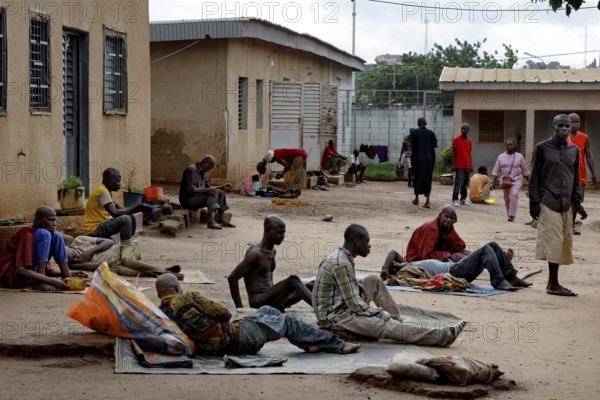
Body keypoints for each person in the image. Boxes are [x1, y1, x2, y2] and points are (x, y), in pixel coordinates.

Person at [312, 224, 466, 347]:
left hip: (336, 307)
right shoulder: (342, 264)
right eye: (367, 241)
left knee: (373, 280)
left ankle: (397, 321)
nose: (370, 246)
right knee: (385, 325)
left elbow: (342, 288)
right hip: (336, 318)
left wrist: (356, 284)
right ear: (357, 241)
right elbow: (355, 306)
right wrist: (381, 314)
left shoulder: (340, 257)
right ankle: (440, 336)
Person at [156, 274, 361, 356]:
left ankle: (307, 344)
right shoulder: (187, 298)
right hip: (239, 338)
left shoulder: (162, 312)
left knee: (268, 311)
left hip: (229, 338)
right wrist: (219, 321)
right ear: (177, 287)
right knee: (286, 320)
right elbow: (224, 313)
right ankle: (337, 345)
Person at [529, 114, 587, 297]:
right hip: (548, 202)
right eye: (560, 126)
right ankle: (553, 284)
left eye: (567, 126)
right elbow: (534, 178)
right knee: (553, 242)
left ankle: (553, 283)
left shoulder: (574, 150)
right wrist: (534, 204)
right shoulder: (542, 148)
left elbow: (575, 178)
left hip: (567, 204)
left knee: (563, 244)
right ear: (553, 128)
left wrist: (578, 203)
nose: (564, 129)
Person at [228, 216, 312, 311]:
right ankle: (321, 313)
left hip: (272, 299)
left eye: (284, 232)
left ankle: (329, 311)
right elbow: (232, 277)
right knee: (293, 279)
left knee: (311, 285)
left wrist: (280, 295)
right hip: (259, 301)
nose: (283, 236)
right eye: (279, 232)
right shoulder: (256, 254)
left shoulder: (272, 251)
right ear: (267, 232)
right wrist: (240, 308)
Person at [380, 242, 531, 291]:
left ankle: (511, 277)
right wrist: (390, 270)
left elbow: (393, 252)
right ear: (398, 271)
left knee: (492, 245)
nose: (397, 263)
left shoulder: (407, 263)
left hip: (455, 267)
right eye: (395, 266)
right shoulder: (408, 270)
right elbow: (395, 263)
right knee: (486, 249)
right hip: (453, 272)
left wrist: (385, 268)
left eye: (396, 262)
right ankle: (497, 280)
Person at [0, 206, 74, 291]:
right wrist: (52, 282)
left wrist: (72, 273)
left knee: (57, 235)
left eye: (55, 220)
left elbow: (48, 272)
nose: (55, 223)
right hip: (13, 278)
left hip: (33, 276)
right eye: (51, 220)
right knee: (44, 233)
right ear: (39, 219)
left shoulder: (45, 235)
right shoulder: (26, 233)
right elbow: (20, 270)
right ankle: (40, 282)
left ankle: (67, 277)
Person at [66, 236, 184, 280]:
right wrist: (79, 262)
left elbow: (109, 241)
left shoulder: (79, 240)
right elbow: (99, 266)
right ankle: (162, 271)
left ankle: (163, 272)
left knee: (126, 260)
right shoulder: (72, 264)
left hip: (125, 249)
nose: (69, 255)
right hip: (119, 264)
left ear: (67, 246)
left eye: (67, 252)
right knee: (122, 270)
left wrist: (88, 253)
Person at [84, 168, 152, 243]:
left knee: (131, 217)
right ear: (110, 180)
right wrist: (137, 208)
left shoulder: (110, 192)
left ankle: (130, 242)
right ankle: (126, 247)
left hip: (101, 225)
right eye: (117, 181)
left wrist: (139, 208)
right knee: (125, 219)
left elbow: (120, 209)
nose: (120, 184)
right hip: (94, 229)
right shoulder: (102, 191)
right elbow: (115, 213)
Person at [179, 155, 235, 230]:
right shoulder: (191, 170)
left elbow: (209, 188)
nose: (208, 170)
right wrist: (208, 190)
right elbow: (190, 189)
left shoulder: (202, 172)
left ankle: (222, 220)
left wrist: (222, 187)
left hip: (196, 197)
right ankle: (211, 222)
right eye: (208, 168)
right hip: (187, 200)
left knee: (220, 192)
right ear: (204, 162)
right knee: (212, 193)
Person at [405, 205, 469, 262]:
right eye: (446, 216)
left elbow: (459, 246)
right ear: (440, 215)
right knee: (458, 258)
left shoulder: (447, 227)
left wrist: (450, 227)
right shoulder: (430, 228)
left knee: (467, 254)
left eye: (451, 218)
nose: (449, 220)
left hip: (435, 254)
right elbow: (424, 256)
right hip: (417, 260)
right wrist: (449, 255)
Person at [567, 113, 596, 235]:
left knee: (576, 202)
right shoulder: (564, 136)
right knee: (566, 202)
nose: (576, 124)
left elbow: (588, 156)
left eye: (577, 121)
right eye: (573, 122)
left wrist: (593, 173)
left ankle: (571, 226)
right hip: (566, 174)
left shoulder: (585, 137)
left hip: (580, 176)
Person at [491, 138, 530, 222]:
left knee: (513, 194)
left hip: (517, 180)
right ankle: (509, 213)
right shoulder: (501, 157)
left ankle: (511, 215)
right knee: (507, 199)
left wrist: (530, 183)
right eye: (507, 144)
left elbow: (525, 170)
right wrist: (492, 183)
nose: (509, 146)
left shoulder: (519, 156)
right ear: (505, 146)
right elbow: (496, 170)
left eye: (511, 144)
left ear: (514, 145)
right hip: (505, 181)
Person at [408, 118, 438, 208]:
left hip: (417, 159)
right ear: (426, 123)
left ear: (417, 123)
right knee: (428, 179)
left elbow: (409, 144)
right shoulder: (431, 133)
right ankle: (427, 201)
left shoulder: (414, 132)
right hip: (429, 159)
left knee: (417, 177)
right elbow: (435, 145)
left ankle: (416, 199)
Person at [451, 123, 473, 206]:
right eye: (462, 128)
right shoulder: (456, 140)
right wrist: (453, 164)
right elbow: (453, 153)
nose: (463, 130)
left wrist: (470, 165)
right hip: (459, 165)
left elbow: (469, 153)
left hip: (467, 165)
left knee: (465, 183)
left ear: (468, 130)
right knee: (458, 183)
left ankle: (463, 199)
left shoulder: (469, 141)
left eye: (465, 129)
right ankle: (455, 199)